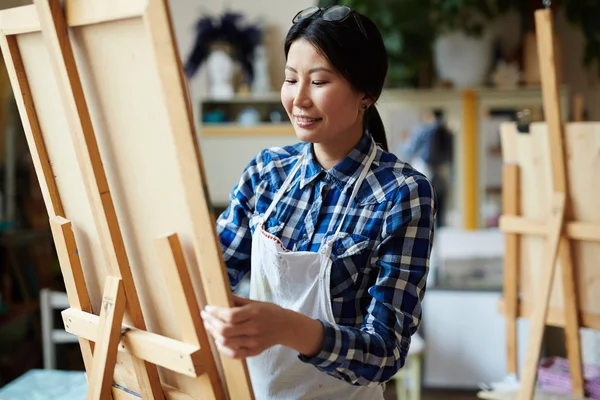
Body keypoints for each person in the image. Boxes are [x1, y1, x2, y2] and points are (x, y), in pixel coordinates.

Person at [201, 5, 436, 399]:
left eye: (320, 81)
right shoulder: (267, 173)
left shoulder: (402, 194)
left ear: (366, 94)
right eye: (291, 79)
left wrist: (287, 328)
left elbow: (385, 352)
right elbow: (211, 274)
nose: (299, 99)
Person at [398, 110, 453, 226]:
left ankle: (424, 224)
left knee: (423, 197)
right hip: (442, 169)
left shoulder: (422, 130)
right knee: (441, 198)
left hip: (425, 166)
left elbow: (409, 150)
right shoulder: (448, 132)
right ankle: (439, 223)